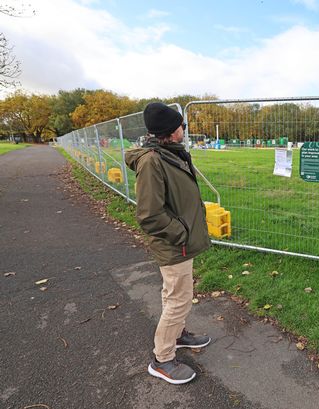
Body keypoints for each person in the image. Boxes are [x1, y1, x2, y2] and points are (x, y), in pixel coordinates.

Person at [125, 102, 212, 385]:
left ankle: (178, 335)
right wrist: (181, 233)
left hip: (180, 243)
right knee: (179, 300)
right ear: (169, 131)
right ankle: (162, 359)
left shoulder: (170, 154)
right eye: (181, 126)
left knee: (173, 294)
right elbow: (149, 215)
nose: (184, 130)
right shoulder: (153, 161)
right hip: (175, 245)